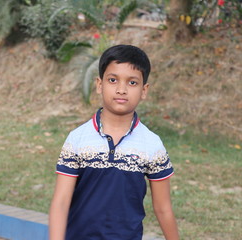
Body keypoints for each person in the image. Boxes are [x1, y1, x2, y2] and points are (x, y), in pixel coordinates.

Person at [49, 44, 179, 240]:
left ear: (144, 90)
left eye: (132, 83)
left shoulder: (152, 144)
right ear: (100, 85)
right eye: (113, 80)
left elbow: (163, 208)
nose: (121, 89)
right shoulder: (77, 138)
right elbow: (61, 202)